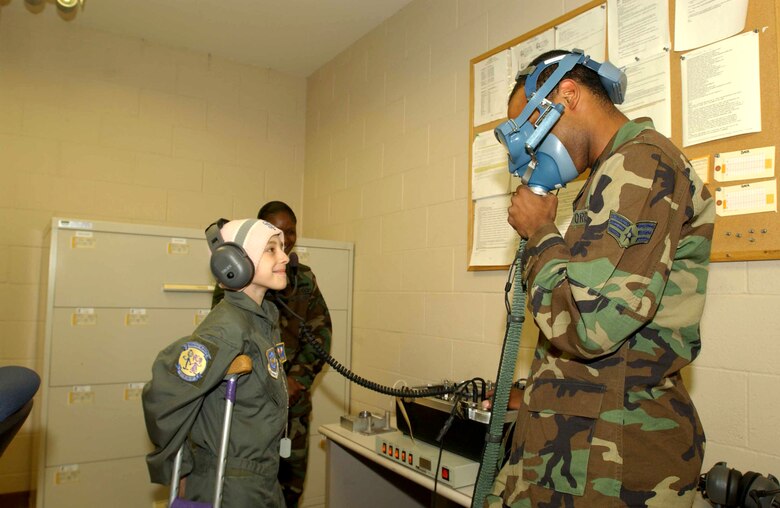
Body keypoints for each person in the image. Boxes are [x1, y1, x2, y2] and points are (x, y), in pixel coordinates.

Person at [487, 49, 715, 507]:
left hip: (613, 461)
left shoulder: (642, 166)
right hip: (579, 441)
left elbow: (591, 326)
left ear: (566, 96)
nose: (527, 150)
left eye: (529, 129)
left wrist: (540, 233)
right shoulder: (614, 171)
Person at [143, 218, 289, 507]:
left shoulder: (261, 320)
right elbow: (164, 395)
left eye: (282, 248)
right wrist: (178, 467)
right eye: (271, 249)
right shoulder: (226, 328)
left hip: (263, 477)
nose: (285, 256)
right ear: (235, 263)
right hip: (232, 484)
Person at [212, 201, 333, 508]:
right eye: (274, 236)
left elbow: (320, 334)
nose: (285, 241)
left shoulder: (302, 278)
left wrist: (296, 381)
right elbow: (229, 348)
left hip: (293, 408)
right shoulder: (235, 282)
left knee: (290, 491)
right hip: (251, 413)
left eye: (289, 233)